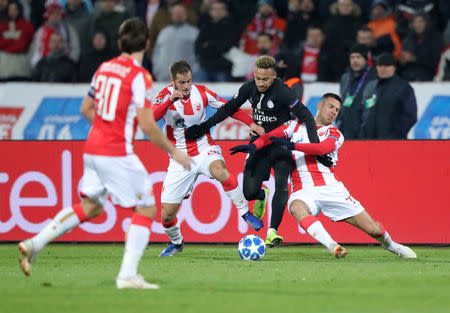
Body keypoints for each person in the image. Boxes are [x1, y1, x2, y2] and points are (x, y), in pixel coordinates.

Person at [18, 18, 192, 289]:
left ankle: (33, 243)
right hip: (115, 151)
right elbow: (147, 124)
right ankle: (127, 275)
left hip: (92, 147)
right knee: (146, 207)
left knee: (91, 206)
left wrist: (106, 127)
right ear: (146, 44)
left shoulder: (103, 68)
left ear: (120, 43)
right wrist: (175, 152)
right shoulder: (138, 76)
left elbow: (86, 109)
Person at [230, 93, 417, 259]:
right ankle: (333, 246)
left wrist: (292, 146)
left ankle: (393, 246)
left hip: (329, 188)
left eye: (337, 110)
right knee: (295, 207)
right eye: (330, 106)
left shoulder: (334, 132)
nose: (333, 112)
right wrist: (254, 146)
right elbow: (270, 136)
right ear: (319, 105)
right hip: (302, 190)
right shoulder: (295, 126)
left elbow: (322, 148)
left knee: (373, 229)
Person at [185, 55, 332, 246]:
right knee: (249, 193)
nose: (261, 83)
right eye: (258, 78)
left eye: (265, 79)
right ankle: (262, 194)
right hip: (259, 143)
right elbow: (229, 108)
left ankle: (272, 232)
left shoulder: (284, 92)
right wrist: (204, 127)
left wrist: (315, 149)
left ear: (274, 76)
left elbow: (308, 118)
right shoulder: (249, 87)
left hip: (282, 142)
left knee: (281, 184)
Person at [152, 60, 264, 256]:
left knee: (221, 172)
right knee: (167, 216)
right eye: (181, 83)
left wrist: (250, 123)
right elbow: (152, 117)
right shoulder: (163, 96)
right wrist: (170, 100)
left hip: (204, 148)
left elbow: (230, 107)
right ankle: (177, 242)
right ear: (172, 82)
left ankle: (246, 213)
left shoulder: (201, 92)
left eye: (188, 81)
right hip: (179, 157)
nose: (186, 87)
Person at [359, 53, 417, 139]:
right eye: (380, 66)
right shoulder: (370, 87)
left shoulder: (404, 87)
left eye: (387, 66)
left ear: (394, 67)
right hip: (369, 141)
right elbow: (362, 111)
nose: (383, 69)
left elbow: (410, 115)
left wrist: (396, 135)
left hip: (393, 142)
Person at [336, 44, 377, 139]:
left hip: (365, 132)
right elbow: (342, 100)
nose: (355, 61)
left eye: (358, 57)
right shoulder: (346, 77)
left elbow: (373, 104)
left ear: (366, 59)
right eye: (352, 57)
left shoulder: (374, 77)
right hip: (346, 130)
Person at [152, 2, 199, 81]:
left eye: (181, 13)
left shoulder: (194, 33)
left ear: (186, 15)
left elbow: (199, 57)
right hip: (163, 79)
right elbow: (156, 54)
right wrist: (157, 71)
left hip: (186, 81)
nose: (178, 15)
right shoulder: (164, 32)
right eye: (175, 13)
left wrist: (195, 73)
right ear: (171, 15)